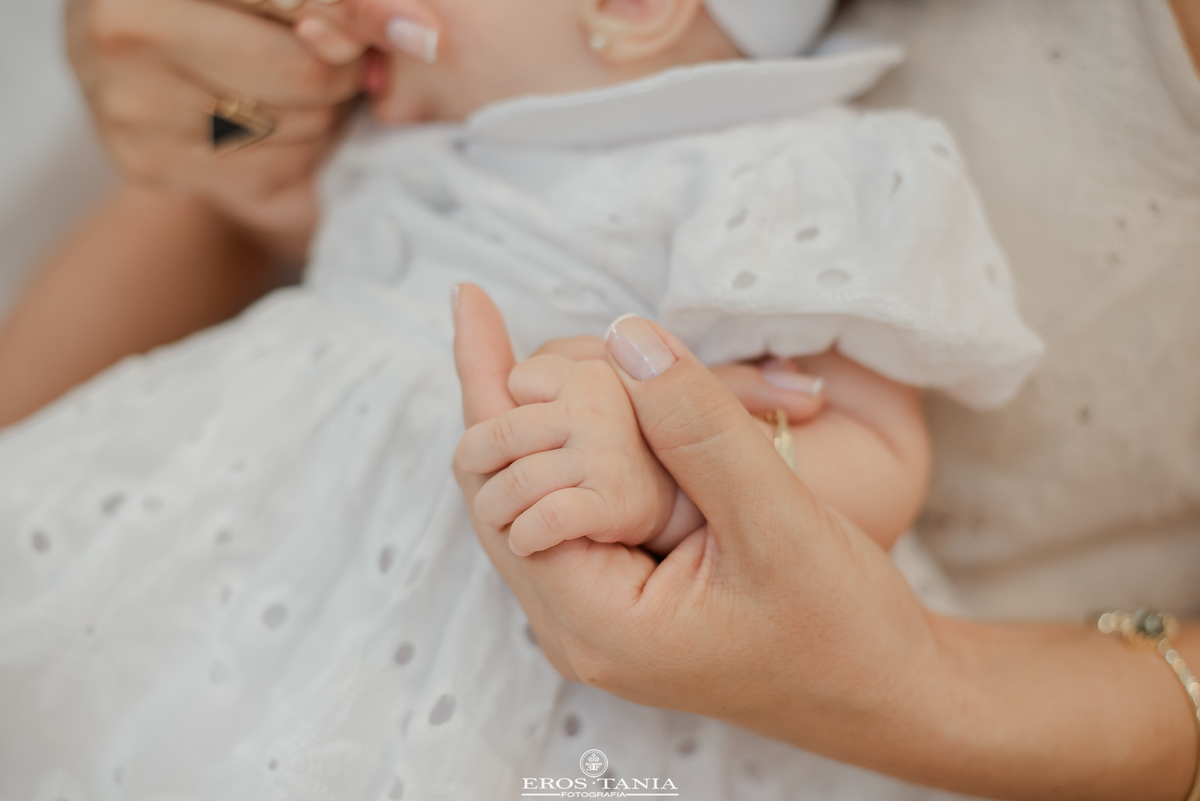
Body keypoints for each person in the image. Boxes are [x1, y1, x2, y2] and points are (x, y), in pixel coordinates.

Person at [0, 0, 1045, 799]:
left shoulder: (784, 170)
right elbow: (236, 192)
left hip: (532, 660)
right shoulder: (413, 120)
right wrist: (238, 119)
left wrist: (668, 483)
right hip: (262, 532)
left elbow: (877, 444)